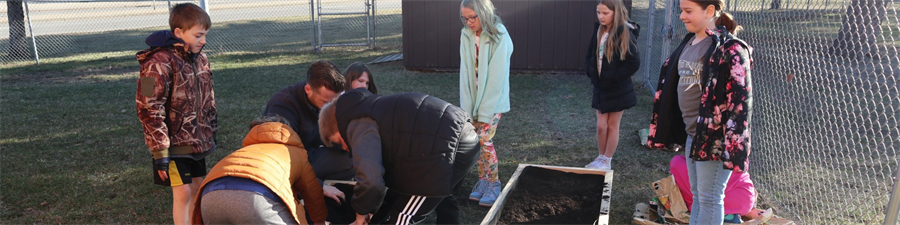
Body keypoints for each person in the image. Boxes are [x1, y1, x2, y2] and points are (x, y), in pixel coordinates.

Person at [647, 0, 753, 224]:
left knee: (710, 198)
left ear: (710, 10)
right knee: (699, 197)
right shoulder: (691, 42)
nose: (682, 17)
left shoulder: (729, 49)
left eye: (688, 11)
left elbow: (741, 102)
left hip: (714, 138)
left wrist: (732, 146)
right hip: (693, 135)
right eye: (681, 11)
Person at [318, 89, 480, 225]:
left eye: (339, 142)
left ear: (338, 125)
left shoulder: (356, 123)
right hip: (463, 135)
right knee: (442, 196)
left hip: (444, 151)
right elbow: (389, 179)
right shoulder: (369, 108)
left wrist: (361, 214)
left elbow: (371, 179)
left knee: (402, 218)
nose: (346, 148)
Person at [135, 3, 215, 224]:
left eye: (205, 35)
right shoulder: (157, 63)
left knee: (200, 189)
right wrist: (160, 151)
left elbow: (208, 98)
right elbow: (149, 107)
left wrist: (211, 129)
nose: (203, 40)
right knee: (183, 193)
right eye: (198, 35)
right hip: (173, 146)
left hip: (196, 141)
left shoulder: (200, 58)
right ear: (178, 32)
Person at [191, 116, 327, 225]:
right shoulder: (295, 152)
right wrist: (319, 221)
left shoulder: (244, 151)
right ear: (289, 132)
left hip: (210, 196)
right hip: (256, 199)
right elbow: (312, 193)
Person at [458, 0, 514, 207]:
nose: (469, 22)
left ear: (484, 13)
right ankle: (483, 182)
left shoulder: (499, 34)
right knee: (476, 141)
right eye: (465, 18)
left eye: (473, 17)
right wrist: (468, 109)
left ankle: (494, 184)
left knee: (484, 140)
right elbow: (465, 74)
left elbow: (496, 78)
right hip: (473, 102)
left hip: (493, 102)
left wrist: (484, 111)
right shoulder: (466, 35)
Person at [263, 60, 353, 181]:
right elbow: (283, 155)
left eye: (335, 101)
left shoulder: (327, 99)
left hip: (310, 154)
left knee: (357, 158)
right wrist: (317, 185)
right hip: (287, 164)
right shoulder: (283, 106)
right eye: (326, 102)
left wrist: (343, 144)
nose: (331, 107)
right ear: (308, 89)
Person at [583, 0, 641, 170]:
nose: (601, 16)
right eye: (598, 12)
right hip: (601, 87)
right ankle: (600, 158)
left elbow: (634, 62)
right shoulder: (599, 30)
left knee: (612, 125)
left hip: (618, 88)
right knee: (601, 126)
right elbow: (589, 55)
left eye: (605, 13)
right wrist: (590, 70)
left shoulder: (625, 33)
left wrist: (615, 77)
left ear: (616, 13)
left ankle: (607, 160)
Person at [670, 155, 756, 223]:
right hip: (745, 198)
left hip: (740, 197)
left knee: (677, 162)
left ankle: (726, 215)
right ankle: (727, 215)